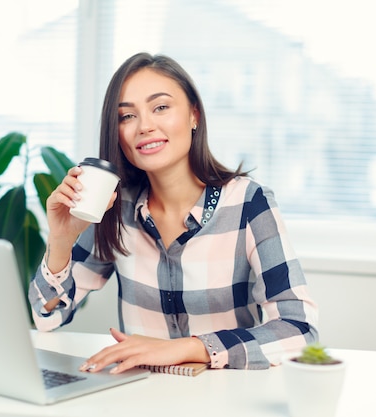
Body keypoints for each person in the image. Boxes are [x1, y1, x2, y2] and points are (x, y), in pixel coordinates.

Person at [29, 52, 319, 374]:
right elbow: (47, 315)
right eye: (127, 116)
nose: (145, 126)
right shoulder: (116, 206)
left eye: (161, 107)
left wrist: (185, 349)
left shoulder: (248, 203)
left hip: (224, 393)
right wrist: (61, 239)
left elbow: (299, 329)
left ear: (194, 115)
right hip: (140, 395)